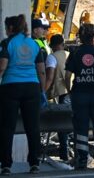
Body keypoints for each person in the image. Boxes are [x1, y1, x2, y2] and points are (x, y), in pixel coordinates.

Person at [0, 15, 46, 175]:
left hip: (10, 87)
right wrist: (43, 90)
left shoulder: (7, 43)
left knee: (7, 127)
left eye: (6, 28)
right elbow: (41, 69)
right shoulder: (33, 44)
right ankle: (34, 162)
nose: (5, 31)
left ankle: (6, 164)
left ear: (11, 28)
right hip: (32, 87)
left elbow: (2, 67)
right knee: (33, 127)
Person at [65, 24, 94, 169]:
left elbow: (67, 76)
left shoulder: (75, 53)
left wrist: (70, 90)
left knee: (81, 129)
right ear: (93, 37)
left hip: (79, 95)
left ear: (79, 37)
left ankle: (83, 160)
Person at [44, 34, 72, 162]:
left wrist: (42, 92)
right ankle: (76, 152)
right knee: (72, 122)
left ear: (52, 45)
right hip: (74, 91)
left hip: (62, 92)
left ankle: (65, 154)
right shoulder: (69, 54)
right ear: (62, 43)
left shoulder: (51, 57)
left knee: (62, 124)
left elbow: (49, 77)